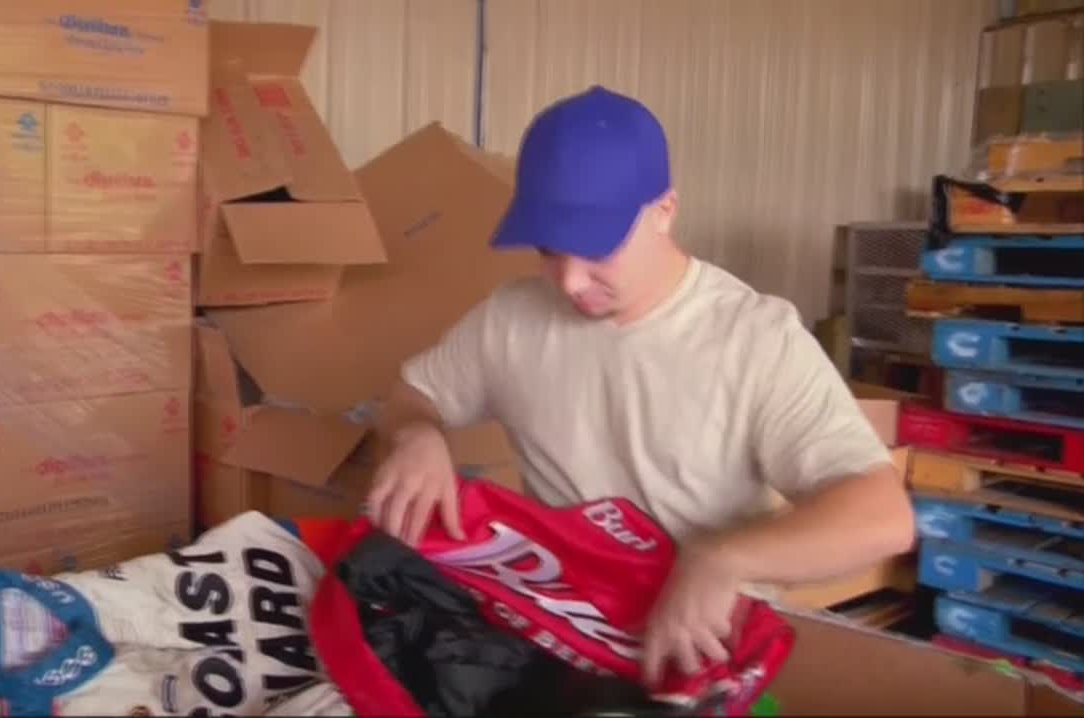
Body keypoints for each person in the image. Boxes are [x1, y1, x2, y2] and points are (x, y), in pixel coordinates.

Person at [366, 86, 915, 687]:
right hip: (560, 634)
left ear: (664, 211)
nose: (570, 282)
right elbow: (412, 395)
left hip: (699, 654)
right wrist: (418, 436)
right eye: (549, 251)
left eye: (596, 249)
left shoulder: (755, 341)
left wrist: (723, 558)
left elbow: (881, 516)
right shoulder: (510, 319)